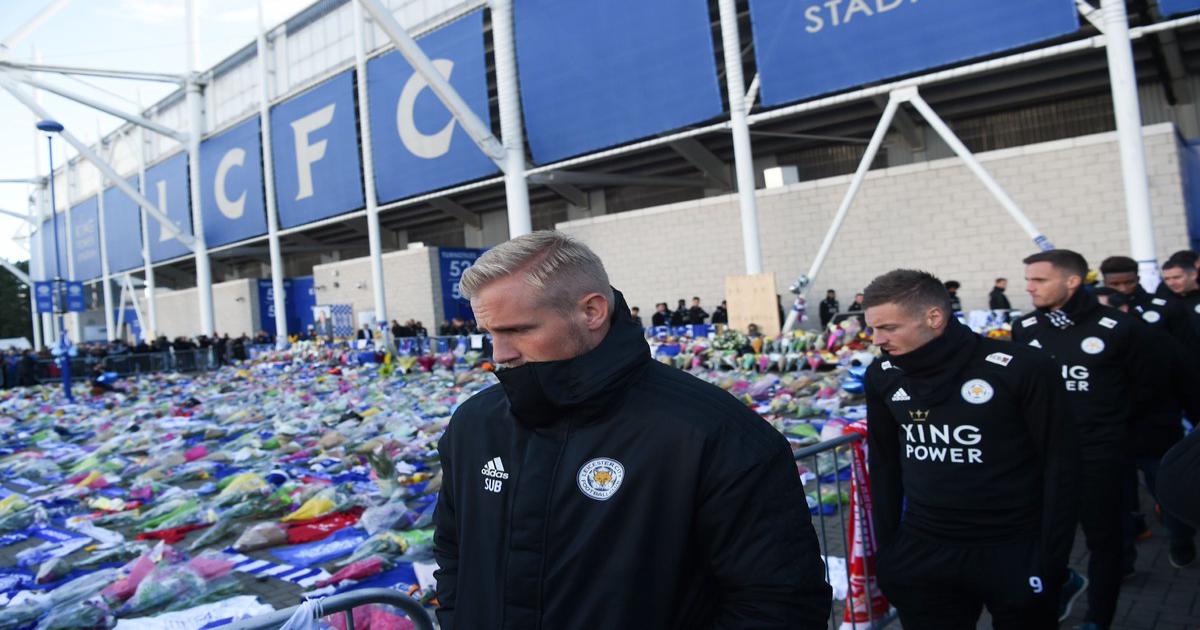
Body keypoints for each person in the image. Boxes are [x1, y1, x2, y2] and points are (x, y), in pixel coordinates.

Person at [435, 231, 831, 628]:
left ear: (591, 312)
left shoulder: (713, 433)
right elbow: (453, 555)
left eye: (518, 330)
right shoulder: (474, 425)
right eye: (489, 333)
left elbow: (778, 605)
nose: (499, 354)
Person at [863, 269, 1078, 629]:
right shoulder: (883, 374)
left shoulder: (1022, 367)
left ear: (933, 317)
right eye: (872, 328)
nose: (876, 339)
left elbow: (1062, 466)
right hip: (923, 549)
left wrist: (1051, 560)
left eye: (888, 328)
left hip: (1011, 547)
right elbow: (884, 465)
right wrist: (888, 552)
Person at [1012, 249, 1153, 629]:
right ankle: (1057, 592)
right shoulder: (1025, 329)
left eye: (1039, 280)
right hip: (1042, 457)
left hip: (1099, 456)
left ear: (1072, 281)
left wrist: (1117, 441)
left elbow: (1146, 392)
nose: (1030, 287)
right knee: (1040, 537)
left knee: (1104, 541)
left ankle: (1098, 618)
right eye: (1028, 280)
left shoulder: (1121, 328)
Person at [1093, 287, 1199, 571]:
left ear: (1123, 310)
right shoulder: (1089, 347)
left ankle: (1181, 543)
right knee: (1118, 503)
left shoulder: (1156, 340)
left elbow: (1187, 382)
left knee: (1166, 493)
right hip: (1111, 440)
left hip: (1155, 435)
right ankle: (1124, 559)